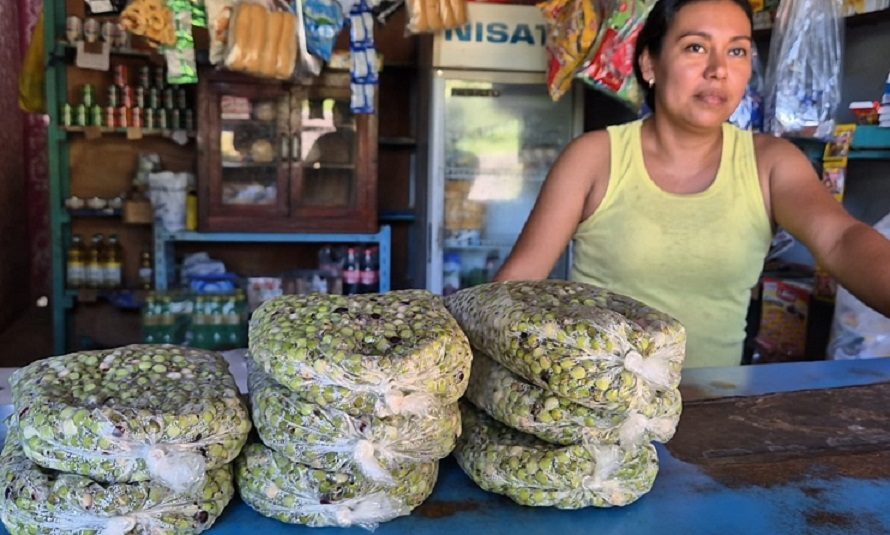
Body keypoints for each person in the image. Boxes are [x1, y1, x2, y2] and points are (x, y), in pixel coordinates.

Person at [495, 0, 890, 368]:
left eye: (736, 51)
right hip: (601, 410)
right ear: (650, 64)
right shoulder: (595, 158)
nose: (719, 69)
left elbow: (840, 240)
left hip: (713, 411)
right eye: (696, 48)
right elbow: (515, 286)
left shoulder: (770, 162)